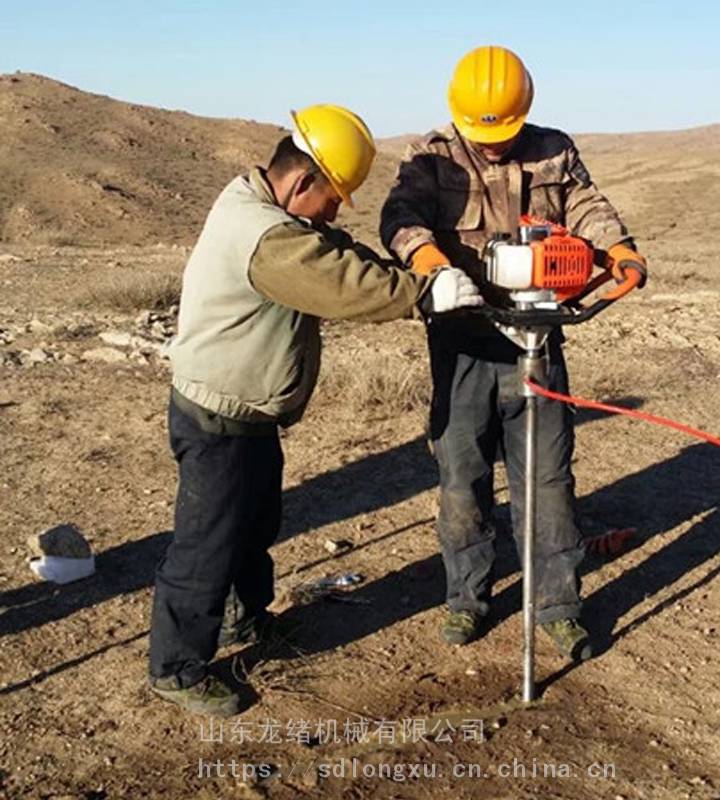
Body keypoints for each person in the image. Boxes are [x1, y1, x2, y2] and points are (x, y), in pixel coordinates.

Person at [148, 104, 482, 717]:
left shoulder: (262, 201)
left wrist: (412, 265)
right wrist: (425, 292)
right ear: (301, 183)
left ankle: (243, 624)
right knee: (206, 543)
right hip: (218, 415)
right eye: (333, 198)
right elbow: (340, 284)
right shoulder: (268, 238)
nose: (334, 212)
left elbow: (330, 246)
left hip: (246, 412)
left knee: (252, 526)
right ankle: (177, 667)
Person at [380, 46, 647, 657]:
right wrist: (431, 264)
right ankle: (467, 600)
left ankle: (557, 605)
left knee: (548, 480)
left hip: (537, 336)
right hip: (464, 342)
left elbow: (586, 207)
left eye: (504, 129)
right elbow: (399, 216)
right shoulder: (433, 155)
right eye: (483, 131)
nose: (494, 143)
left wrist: (620, 250)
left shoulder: (553, 148)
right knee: (461, 479)